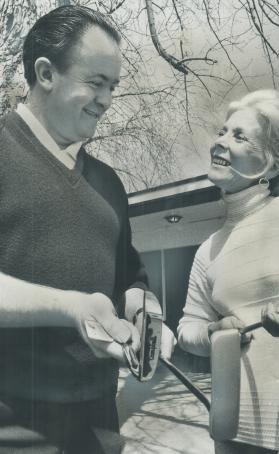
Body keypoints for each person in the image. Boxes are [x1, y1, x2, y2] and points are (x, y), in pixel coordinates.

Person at [0, 5, 175, 454]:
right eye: (95, 82)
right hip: (12, 423)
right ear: (45, 73)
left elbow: (130, 282)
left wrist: (147, 320)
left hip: (98, 419)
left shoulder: (109, 184)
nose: (107, 100)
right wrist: (72, 307)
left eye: (113, 86)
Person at [178, 89, 279, 454]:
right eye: (222, 132)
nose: (220, 143)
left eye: (239, 136)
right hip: (232, 431)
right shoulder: (207, 248)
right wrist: (215, 331)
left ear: (274, 165)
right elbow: (187, 329)